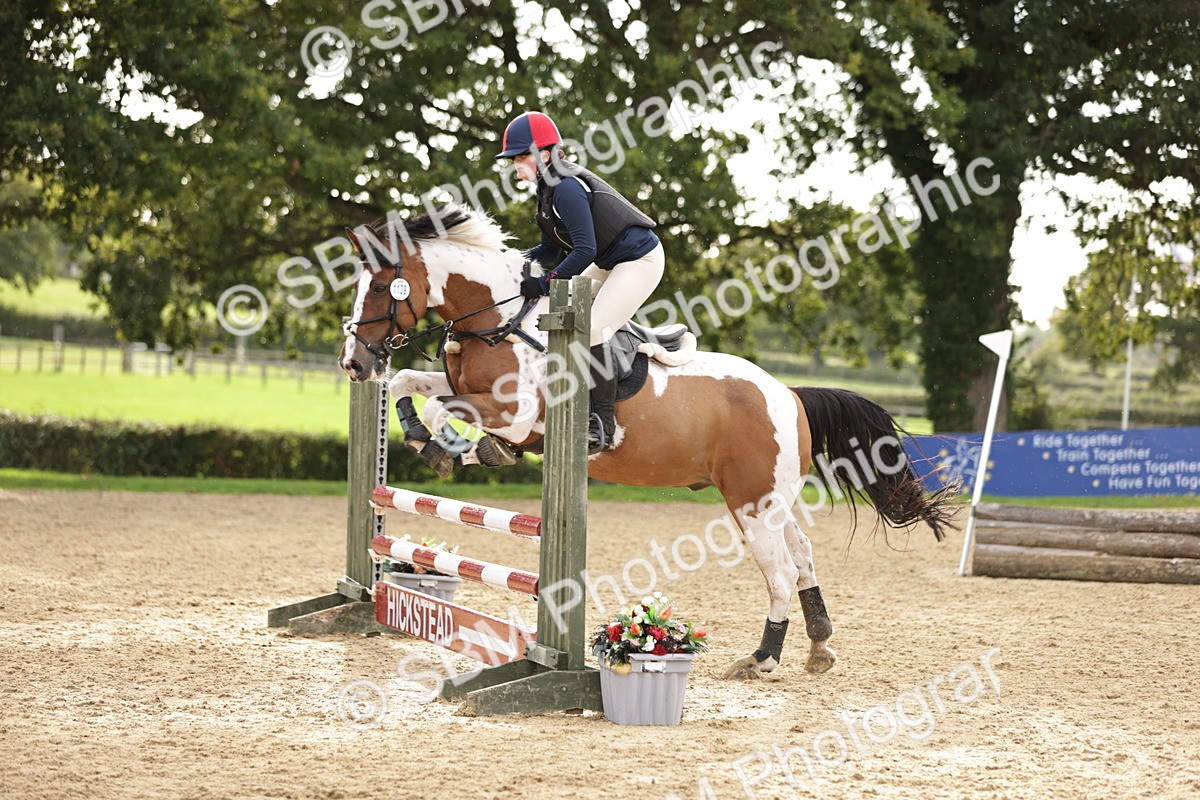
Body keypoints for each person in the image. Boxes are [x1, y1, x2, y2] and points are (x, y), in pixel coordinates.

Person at [495, 110, 665, 455]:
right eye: (514, 157)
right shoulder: (545, 191)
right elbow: (550, 248)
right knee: (550, 314)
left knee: (591, 327)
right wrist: (511, 264)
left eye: (521, 155)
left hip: (639, 261)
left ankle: (603, 423)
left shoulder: (567, 188)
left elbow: (584, 249)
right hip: (608, 262)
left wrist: (545, 284)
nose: (516, 163)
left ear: (545, 154)